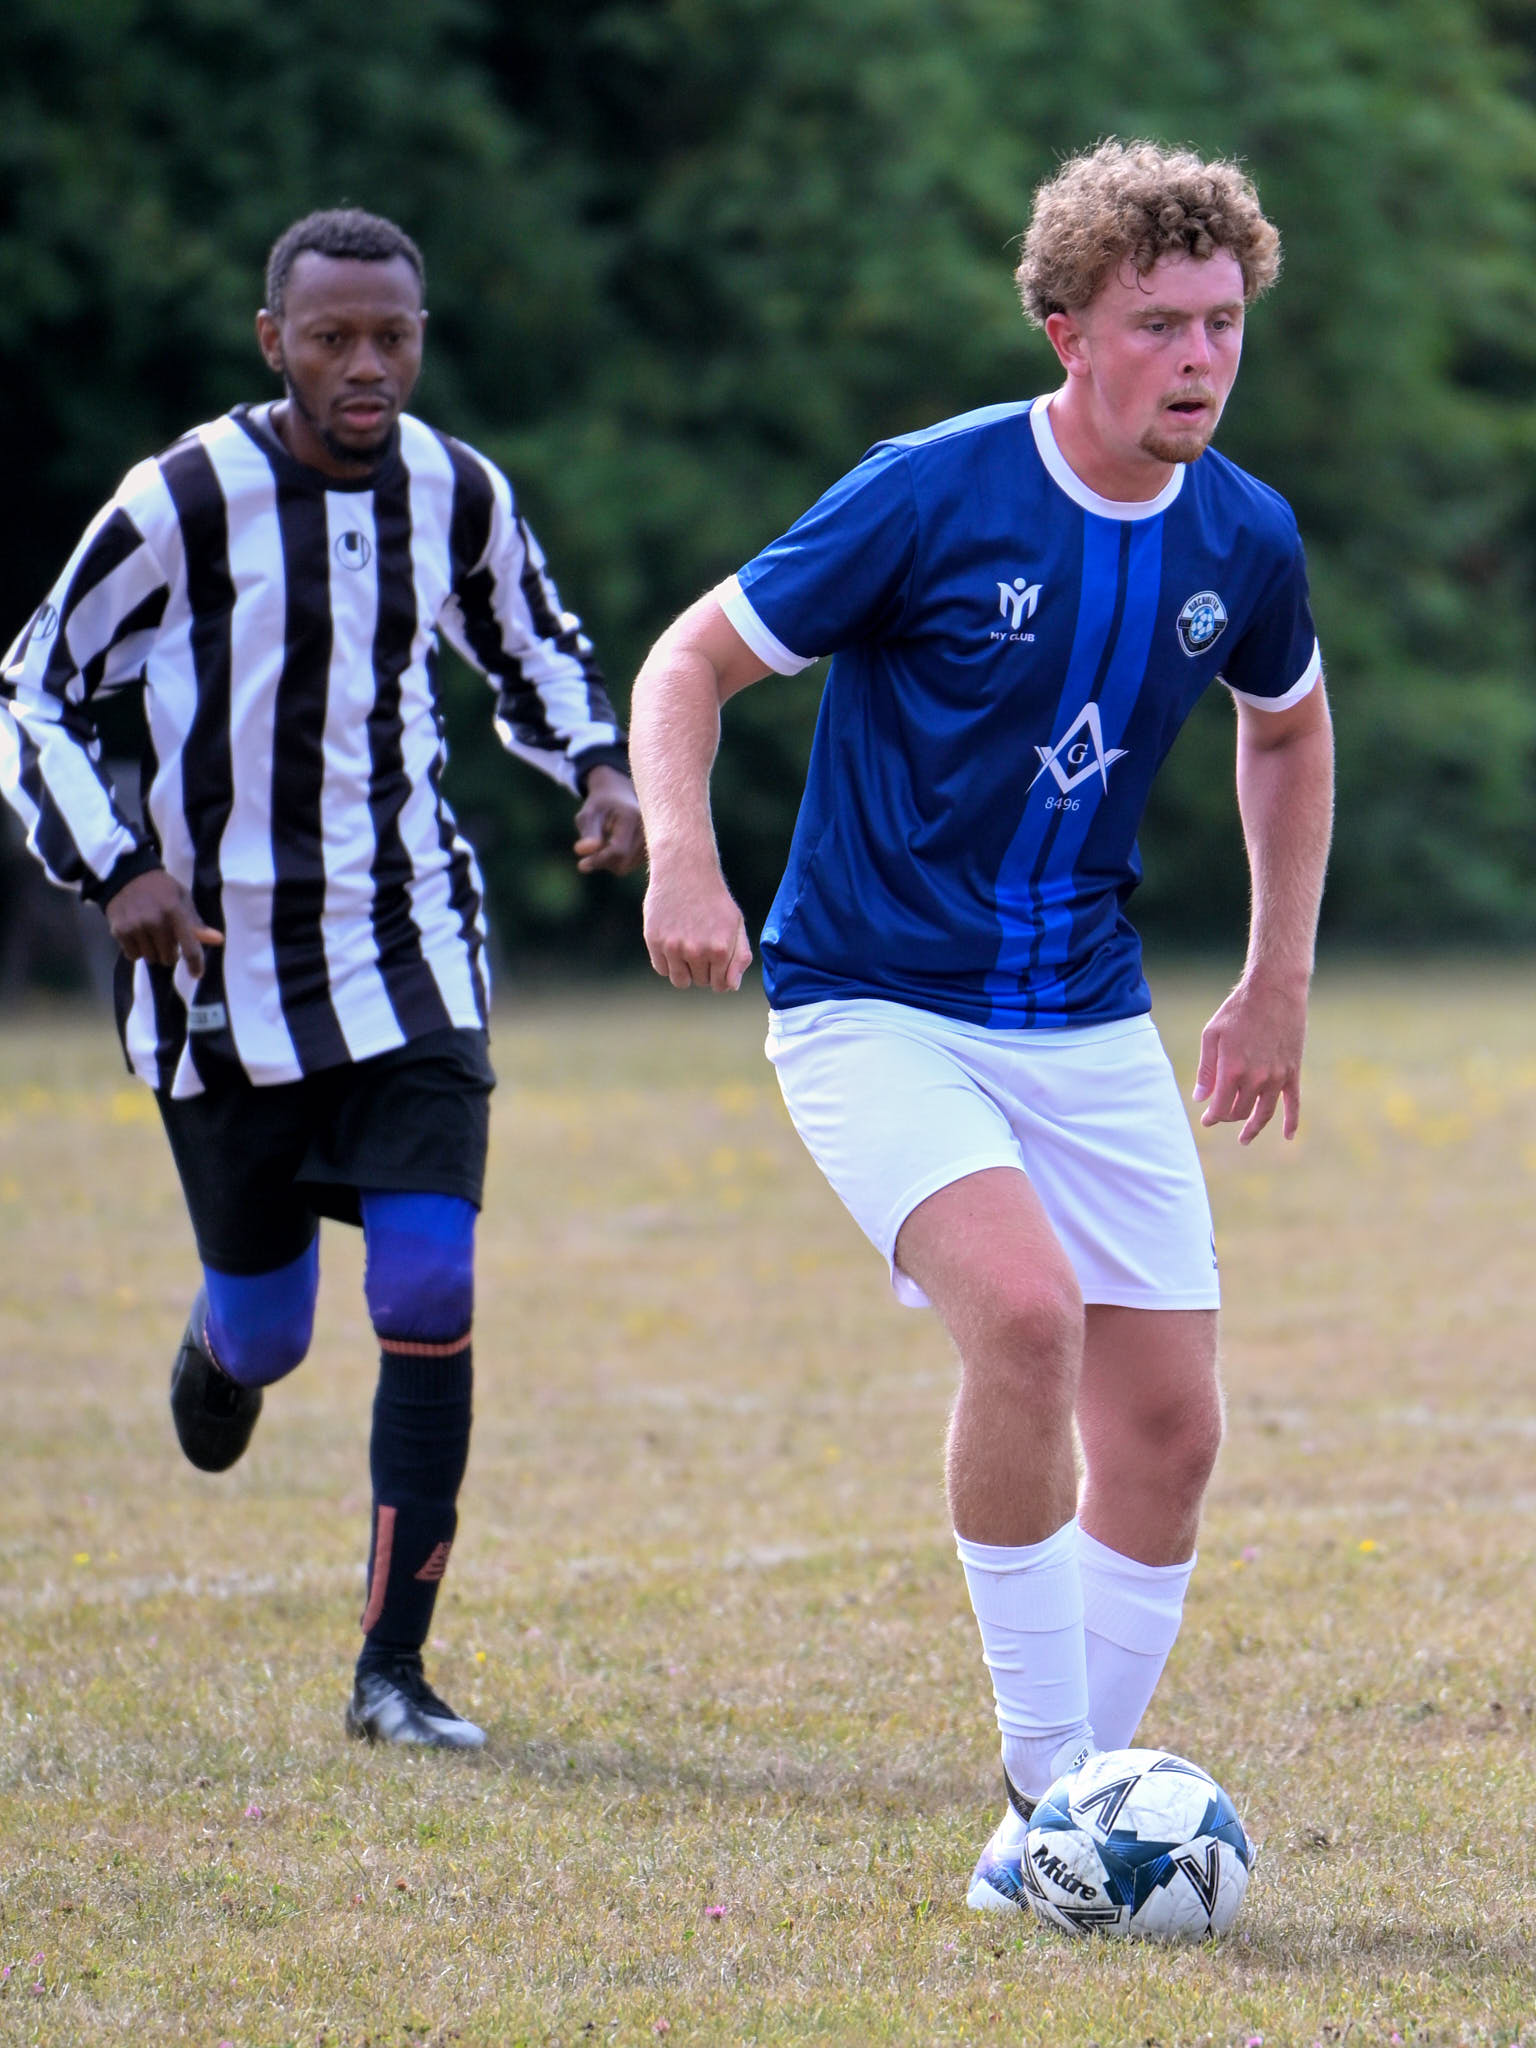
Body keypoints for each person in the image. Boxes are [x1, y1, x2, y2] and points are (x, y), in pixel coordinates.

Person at [628, 141, 1333, 1910]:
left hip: (1083, 1010)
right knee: (1025, 1318)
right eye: (1158, 323)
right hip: (872, 1001)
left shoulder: (1244, 535)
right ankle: (1051, 1796)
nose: (1199, 357)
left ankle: (1058, 1845)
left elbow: (1287, 727)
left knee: (1170, 1432)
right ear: (1066, 331)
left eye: (1223, 322)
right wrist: (686, 858)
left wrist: (1276, 978)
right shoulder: (930, 492)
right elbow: (688, 663)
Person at [0, 207, 643, 1750]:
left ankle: (391, 1676)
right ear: (271, 340)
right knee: (273, 1331)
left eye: (392, 337)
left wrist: (602, 765)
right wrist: (119, 868)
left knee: (428, 1283)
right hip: (217, 967)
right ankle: (222, 1347)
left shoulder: (454, 489)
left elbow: (535, 643)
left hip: (409, 943)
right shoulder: (182, 499)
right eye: (333, 337)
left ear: (420, 340)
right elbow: (35, 688)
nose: (366, 365)